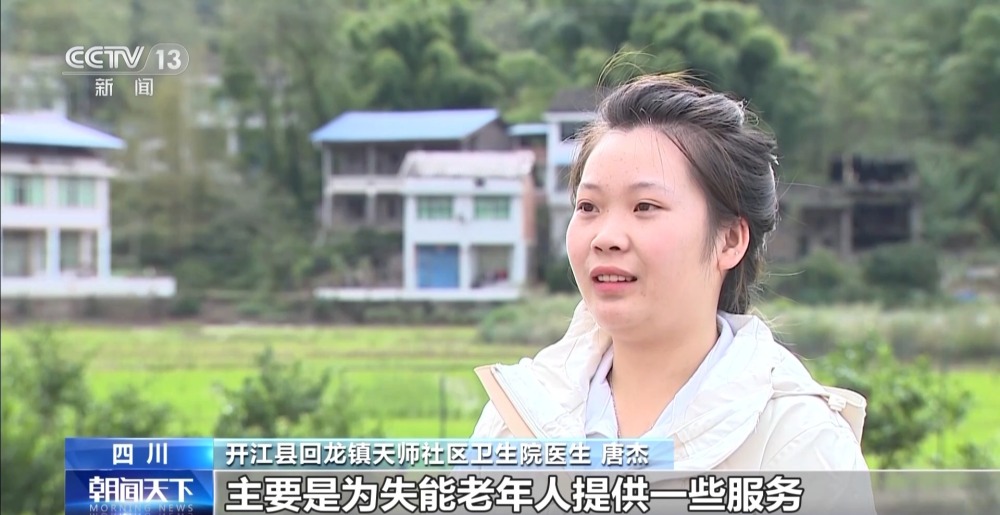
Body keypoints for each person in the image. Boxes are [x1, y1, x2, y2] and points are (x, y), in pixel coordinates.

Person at [470, 73, 870, 472]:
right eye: (588, 207)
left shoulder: (799, 439)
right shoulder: (518, 416)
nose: (606, 238)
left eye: (645, 207)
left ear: (730, 240)